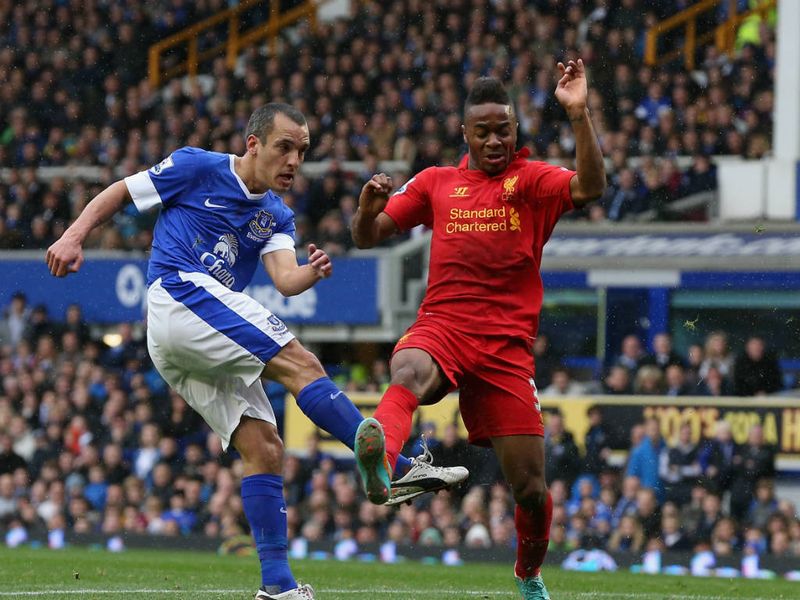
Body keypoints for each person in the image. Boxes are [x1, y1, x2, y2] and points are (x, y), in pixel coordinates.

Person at [45, 103, 466, 600]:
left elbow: (285, 281)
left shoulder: (277, 215)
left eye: (302, 151)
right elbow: (122, 191)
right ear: (253, 145)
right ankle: (391, 468)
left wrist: (312, 271)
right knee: (301, 363)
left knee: (265, 447)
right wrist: (74, 235)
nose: (293, 160)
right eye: (284, 147)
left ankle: (278, 587)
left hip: (185, 340)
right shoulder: (197, 166)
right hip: (178, 293)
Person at [351, 60, 606, 599]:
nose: (494, 141)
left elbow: (591, 186)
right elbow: (368, 236)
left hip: (506, 351)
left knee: (531, 488)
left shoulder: (532, 181)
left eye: (503, 130)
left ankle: (528, 574)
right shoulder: (438, 183)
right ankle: (382, 462)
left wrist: (579, 114)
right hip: (444, 326)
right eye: (483, 132)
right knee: (407, 368)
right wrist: (365, 209)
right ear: (464, 134)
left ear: (516, 130)